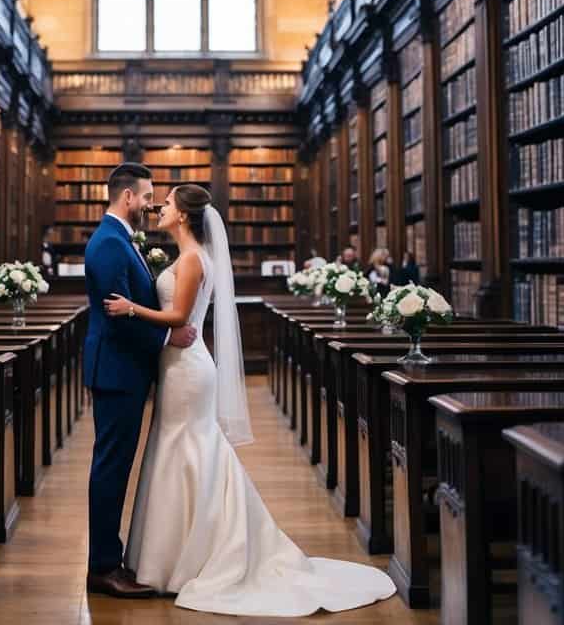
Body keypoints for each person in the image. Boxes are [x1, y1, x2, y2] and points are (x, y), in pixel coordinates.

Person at [103, 183, 395, 615]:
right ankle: (173, 555)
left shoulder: (191, 261)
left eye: (165, 203)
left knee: (187, 451)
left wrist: (131, 308)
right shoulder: (188, 257)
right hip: (178, 367)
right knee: (177, 451)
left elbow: (181, 318)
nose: (159, 208)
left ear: (183, 215)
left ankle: (190, 557)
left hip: (187, 369)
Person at [84, 163, 197, 599]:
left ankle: (108, 561)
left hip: (123, 368)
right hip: (116, 369)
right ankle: (103, 567)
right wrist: (167, 333)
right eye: (148, 196)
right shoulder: (110, 242)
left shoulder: (118, 239)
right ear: (127, 196)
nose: (150, 205)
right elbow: (118, 315)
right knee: (111, 468)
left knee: (114, 466)